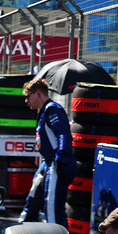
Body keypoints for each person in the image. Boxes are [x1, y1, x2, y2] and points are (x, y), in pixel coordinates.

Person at [18, 78, 74, 226]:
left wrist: (60, 158)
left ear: (38, 94)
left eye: (28, 96)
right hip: (48, 163)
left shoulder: (52, 109)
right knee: (33, 198)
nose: (26, 100)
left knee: (52, 207)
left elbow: (63, 135)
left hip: (58, 163)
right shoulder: (42, 112)